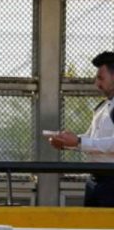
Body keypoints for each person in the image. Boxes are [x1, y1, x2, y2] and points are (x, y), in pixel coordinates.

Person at [47, 51, 114, 207]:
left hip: (111, 181)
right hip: (95, 180)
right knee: (91, 229)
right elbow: (91, 139)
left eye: (101, 78)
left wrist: (78, 141)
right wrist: (67, 143)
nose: (97, 83)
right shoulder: (103, 107)